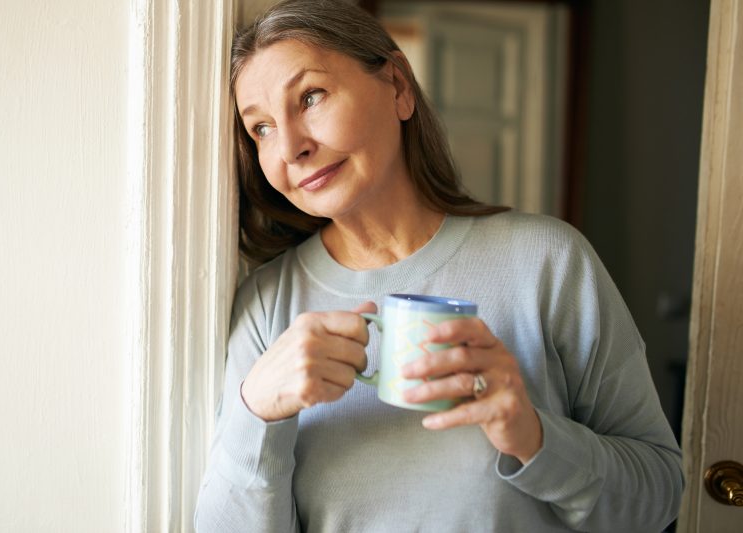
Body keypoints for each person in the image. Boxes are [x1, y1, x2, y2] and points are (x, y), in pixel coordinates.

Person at [194, 0, 683, 531]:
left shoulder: (548, 262)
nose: (290, 147)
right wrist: (257, 411)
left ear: (399, 87)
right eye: (261, 128)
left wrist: (533, 436)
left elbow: (659, 496)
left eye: (310, 97)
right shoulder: (267, 302)